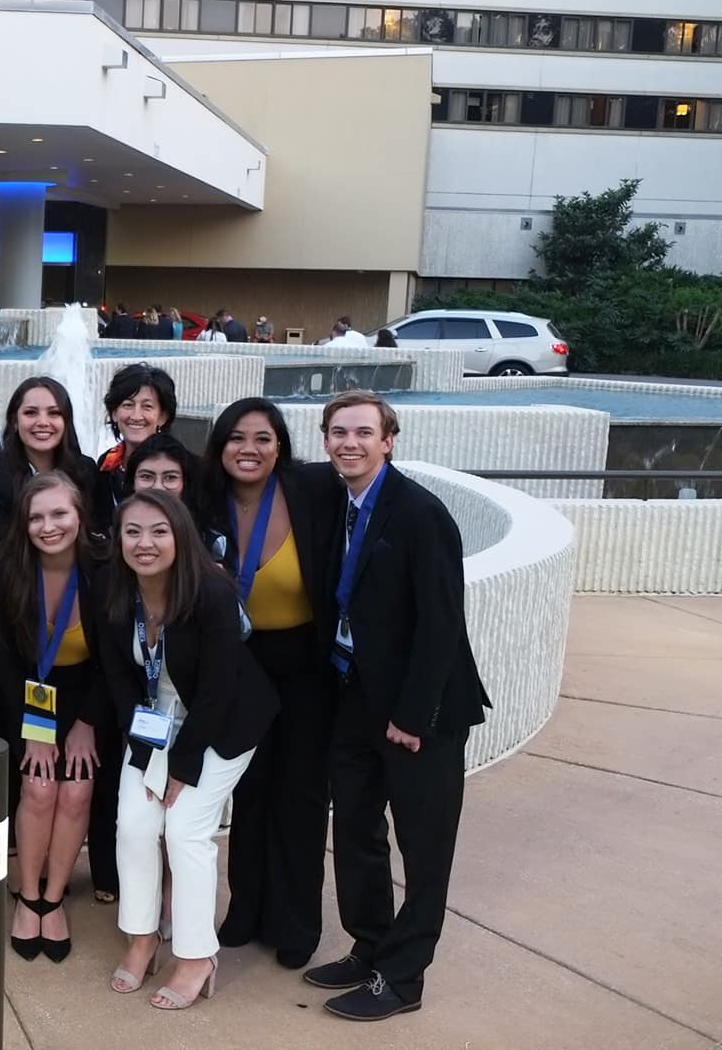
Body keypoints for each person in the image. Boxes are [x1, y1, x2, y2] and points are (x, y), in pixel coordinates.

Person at [303, 392, 488, 1022]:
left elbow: (442, 624)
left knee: (423, 846)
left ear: (389, 440)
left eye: (362, 432)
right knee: (354, 828)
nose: (348, 443)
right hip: (355, 695)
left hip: (422, 713)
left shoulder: (419, 513)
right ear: (324, 441)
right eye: (336, 432)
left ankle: (403, 977)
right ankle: (371, 945)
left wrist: (412, 716)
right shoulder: (344, 504)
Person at [94, 491, 276, 1011]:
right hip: (155, 719)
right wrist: (146, 749)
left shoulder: (209, 591)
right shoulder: (112, 587)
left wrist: (182, 765)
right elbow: (118, 676)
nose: (144, 543)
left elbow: (219, 689)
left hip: (222, 723)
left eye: (158, 531)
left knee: (185, 828)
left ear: (179, 535)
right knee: (133, 823)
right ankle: (142, 937)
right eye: (132, 532)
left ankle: (197, 956)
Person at [192, 399, 338, 971]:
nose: (247, 449)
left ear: (281, 446)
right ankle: (246, 910)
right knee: (247, 792)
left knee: (301, 796)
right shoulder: (204, 502)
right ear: (219, 445)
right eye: (236, 438)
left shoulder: (311, 492)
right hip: (238, 663)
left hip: (305, 664)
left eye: (262, 438)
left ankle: (295, 922)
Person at [0, 473, 106, 963]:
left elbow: (114, 660)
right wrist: (37, 731)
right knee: (38, 786)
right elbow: (2, 662)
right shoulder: (4, 571)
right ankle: (28, 896)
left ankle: (54, 898)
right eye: (37, 517)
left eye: (60, 514)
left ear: (79, 516)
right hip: (28, 695)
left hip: (90, 699)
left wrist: (87, 724)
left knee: (76, 789)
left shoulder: (105, 569)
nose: (48, 526)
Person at [0, 376, 98, 539]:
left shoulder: (86, 471)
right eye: (31, 413)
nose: (43, 422)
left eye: (54, 413)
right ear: (15, 421)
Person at [93, 363, 178, 529]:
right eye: (127, 405)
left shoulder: (179, 466)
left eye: (147, 406)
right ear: (114, 413)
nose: (136, 416)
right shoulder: (106, 465)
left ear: (162, 416)